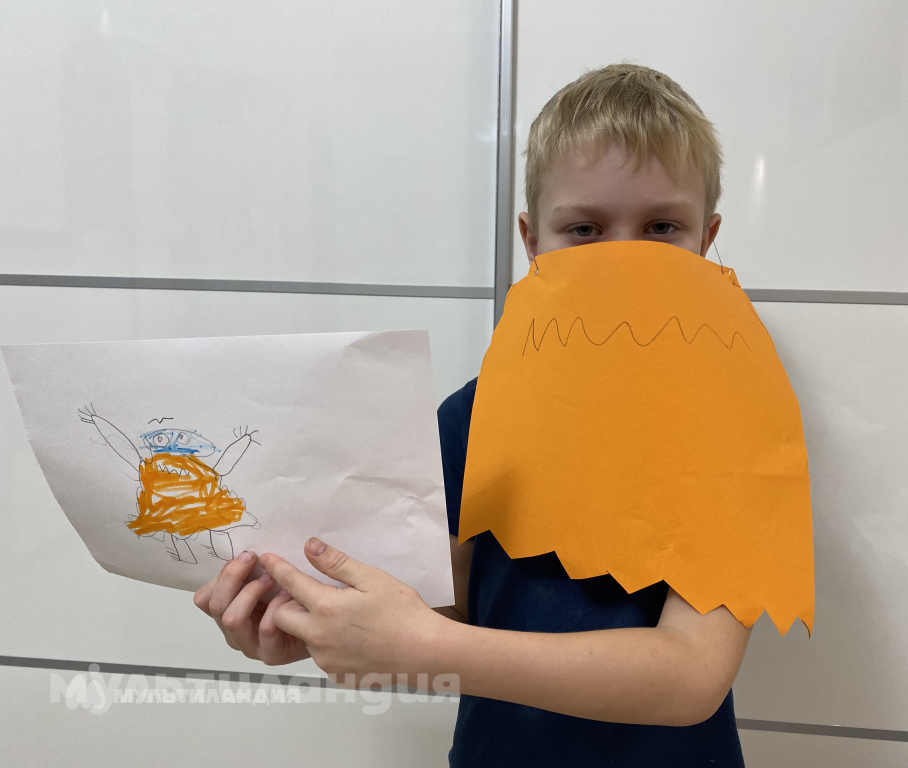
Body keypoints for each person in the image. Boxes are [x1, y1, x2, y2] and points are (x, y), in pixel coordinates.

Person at [194, 63, 750, 767]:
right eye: (584, 228)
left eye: (660, 227)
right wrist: (313, 625)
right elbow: (441, 606)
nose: (621, 261)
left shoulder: (739, 430)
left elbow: (693, 673)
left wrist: (426, 646)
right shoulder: (475, 414)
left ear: (706, 239)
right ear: (532, 240)